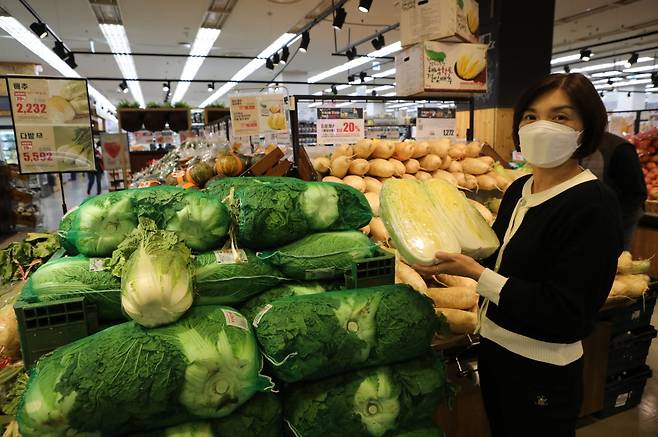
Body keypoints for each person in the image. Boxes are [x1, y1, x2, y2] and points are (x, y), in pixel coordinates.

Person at [415, 73, 623, 437]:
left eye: (560, 117)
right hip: (495, 352)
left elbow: (567, 312)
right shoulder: (519, 190)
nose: (542, 126)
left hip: (543, 369)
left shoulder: (594, 205)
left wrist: (478, 276)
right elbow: (498, 256)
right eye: (530, 116)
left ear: (586, 128)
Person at [581, 131, 647, 249]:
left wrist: (610, 221)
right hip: (586, 222)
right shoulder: (568, 147)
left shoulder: (620, 149)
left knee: (614, 261)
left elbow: (637, 193)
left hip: (619, 221)